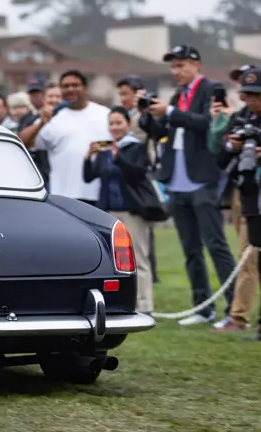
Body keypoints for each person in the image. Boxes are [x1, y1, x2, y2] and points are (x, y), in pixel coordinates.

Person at [139, 44, 236, 326]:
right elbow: (164, 134)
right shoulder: (179, 95)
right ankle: (202, 307)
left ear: (197, 64)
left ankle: (233, 309)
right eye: (173, 66)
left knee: (216, 245)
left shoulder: (210, 89)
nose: (176, 71)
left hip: (202, 179)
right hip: (177, 181)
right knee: (190, 249)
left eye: (181, 65)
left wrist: (169, 111)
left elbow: (207, 122)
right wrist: (148, 117)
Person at [82, 107, 155, 314]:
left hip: (132, 212)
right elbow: (89, 177)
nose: (114, 127)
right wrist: (89, 157)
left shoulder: (136, 148)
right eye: (111, 124)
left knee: (139, 258)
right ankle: (117, 303)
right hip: (108, 213)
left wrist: (118, 156)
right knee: (110, 261)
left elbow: (137, 173)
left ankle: (145, 305)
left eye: (118, 123)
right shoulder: (106, 151)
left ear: (128, 124)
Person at [209, 66, 260, 332]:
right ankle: (239, 317)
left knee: (249, 256)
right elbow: (220, 159)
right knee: (248, 256)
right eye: (247, 93)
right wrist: (232, 145)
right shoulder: (238, 119)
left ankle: (238, 317)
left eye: (256, 95)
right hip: (244, 191)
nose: (251, 100)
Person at [20, 70, 111, 204]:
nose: (70, 89)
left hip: (98, 195)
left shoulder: (105, 114)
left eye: (75, 85)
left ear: (85, 88)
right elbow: (23, 143)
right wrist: (41, 124)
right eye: (66, 86)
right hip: (62, 196)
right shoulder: (53, 117)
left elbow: (115, 145)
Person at [117, 75, 159, 283]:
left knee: (143, 233)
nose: (123, 98)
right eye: (121, 94)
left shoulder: (144, 113)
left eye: (127, 94)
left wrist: (146, 109)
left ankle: (150, 276)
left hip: (143, 173)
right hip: (127, 175)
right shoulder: (124, 116)